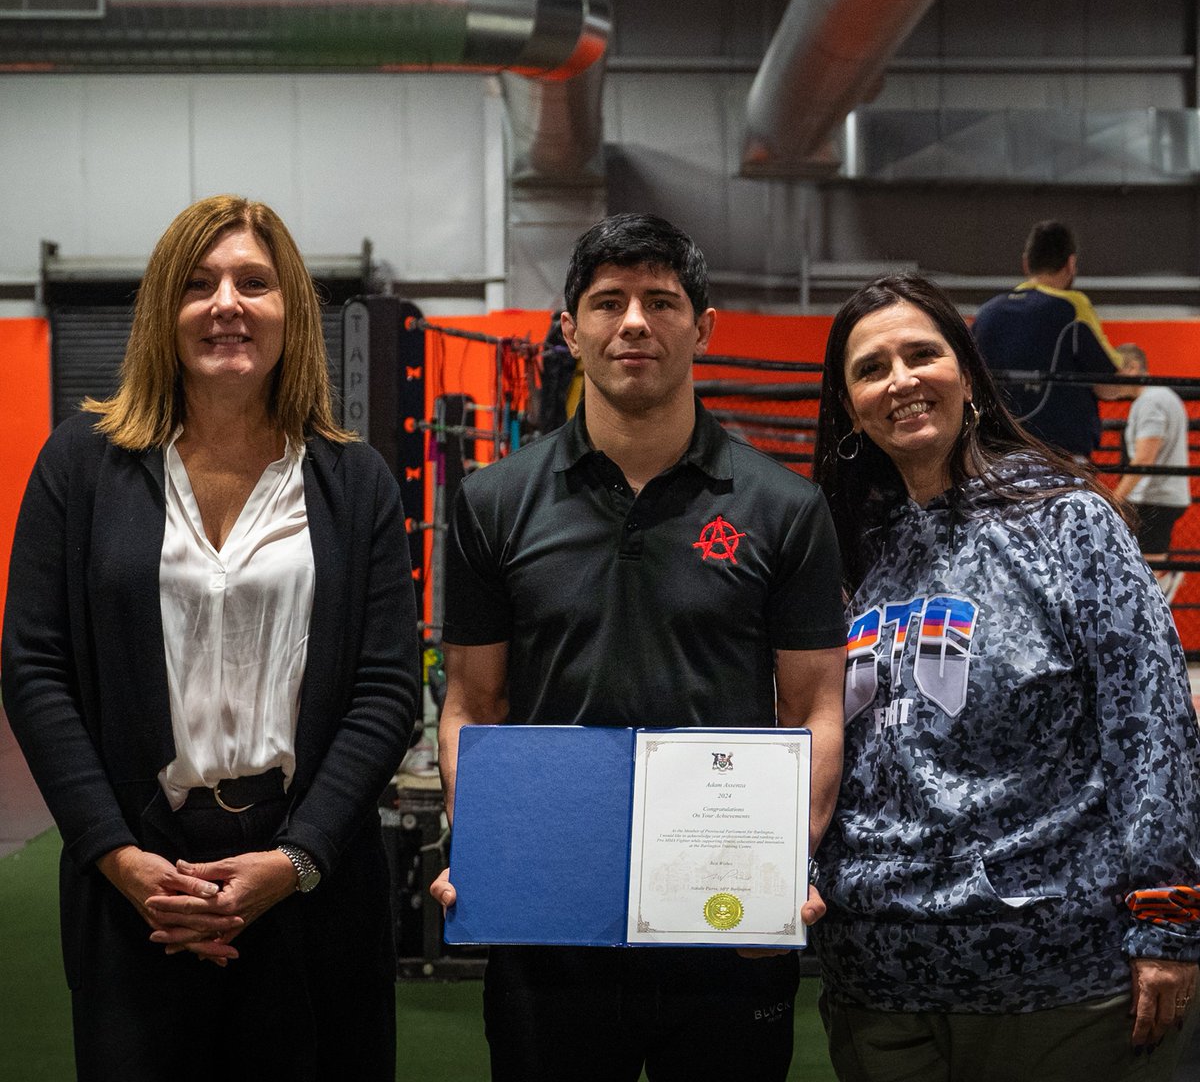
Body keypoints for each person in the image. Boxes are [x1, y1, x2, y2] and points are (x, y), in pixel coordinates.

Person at [1, 195, 421, 1082]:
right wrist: (118, 858)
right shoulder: (80, 465)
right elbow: (35, 671)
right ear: (164, 311)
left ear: (291, 309)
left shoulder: (356, 481)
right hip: (139, 880)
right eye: (198, 284)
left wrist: (297, 858)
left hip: (309, 880)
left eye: (253, 282)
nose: (226, 302)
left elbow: (387, 690)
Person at [430, 212, 846, 1082]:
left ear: (703, 327)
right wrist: (481, 841)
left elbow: (814, 708)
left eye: (661, 301)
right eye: (607, 301)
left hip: (724, 919)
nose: (633, 323)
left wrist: (784, 866)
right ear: (570, 327)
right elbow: (473, 702)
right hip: (550, 914)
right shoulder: (492, 502)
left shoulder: (785, 508)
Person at [811, 273, 1200, 1082]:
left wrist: (1168, 918)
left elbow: (1152, 723)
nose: (902, 380)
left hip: (1054, 982)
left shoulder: (1065, 520)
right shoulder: (853, 548)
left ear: (968, 374)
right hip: (878, 984)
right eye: (872, 367)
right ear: (850, 407)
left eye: (923, 354)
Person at [972, 219, 1122, 458]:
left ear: (1026, 263)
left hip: (995, 452)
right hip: (1059, 454)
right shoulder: (1072, 307)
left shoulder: (987, 312)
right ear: (1070, 263)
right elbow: (1109, 386)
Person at [1114, 342, 1192, 598]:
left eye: (1117, 369)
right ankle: (1163, 584)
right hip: (1161, 496)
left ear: (1133, 367)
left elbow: (1145, 458)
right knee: (1145, 568)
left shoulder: (1150, 401)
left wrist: (1114, 499)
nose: (1112, 377)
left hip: (1154, 497)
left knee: (1145, 574)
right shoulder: (1161, 396)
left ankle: (1162, 588)